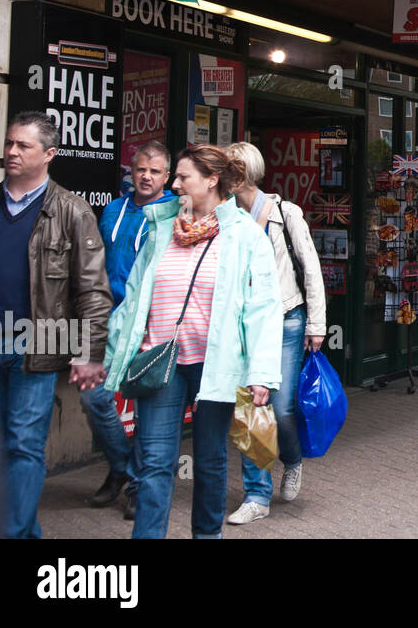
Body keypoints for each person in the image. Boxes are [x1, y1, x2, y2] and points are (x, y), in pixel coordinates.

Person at [103, 144, 283, 538]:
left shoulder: (246, 236)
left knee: (210, 461)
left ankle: (207, 535)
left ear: (211, 180)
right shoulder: (161, 228)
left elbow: (263, 308)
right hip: (160, 362)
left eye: (183, 176)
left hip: (214, 366)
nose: (175, 183)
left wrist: (261, 373)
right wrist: (114, 352)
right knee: (154, 463)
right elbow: (134, 297)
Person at [0, 111, 111, 538]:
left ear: (50, 154)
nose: (12, 152)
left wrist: (90, 352)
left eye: (23, 145)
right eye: (9, 143)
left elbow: (92, 291)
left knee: (23, 446)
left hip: (35, 346)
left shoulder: (72, 211)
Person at [224, 142, 328, 525]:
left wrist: (316, 324)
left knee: (281, 408)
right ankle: (256, 495)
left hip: (286, 318)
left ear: (246, 172)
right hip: (244, 324)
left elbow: (311, 268)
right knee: (253, 408)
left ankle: (293, 459)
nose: (225, 179)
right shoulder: (226, 216)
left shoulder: (286, 213)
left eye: (232, 171)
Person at [90, 140, 176, 519]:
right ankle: (122, 466)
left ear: (167, 177)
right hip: (104, 318)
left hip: (147, 323)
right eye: (141, 169)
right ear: (132, 170)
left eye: (155, 171)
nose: (146, 176)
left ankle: (139, 486)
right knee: (93, 398)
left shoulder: (175, 215)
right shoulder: (113, 208)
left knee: (145, 409)